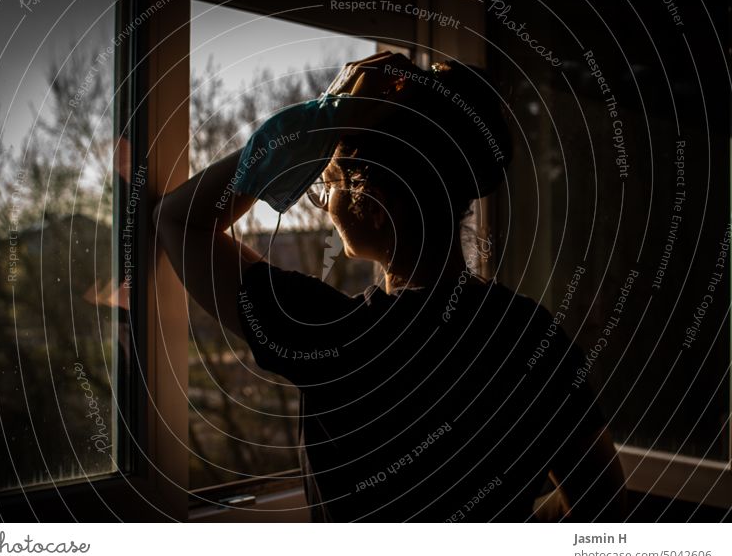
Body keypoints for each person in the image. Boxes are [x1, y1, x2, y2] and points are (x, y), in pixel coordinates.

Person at [153, 51, 627, 522]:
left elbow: (180, 219)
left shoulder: (330, 337)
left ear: (374, 205)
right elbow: (602, 500)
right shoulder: (529, 334)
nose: (320, 201)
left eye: (328, 184)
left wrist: (321, 120)